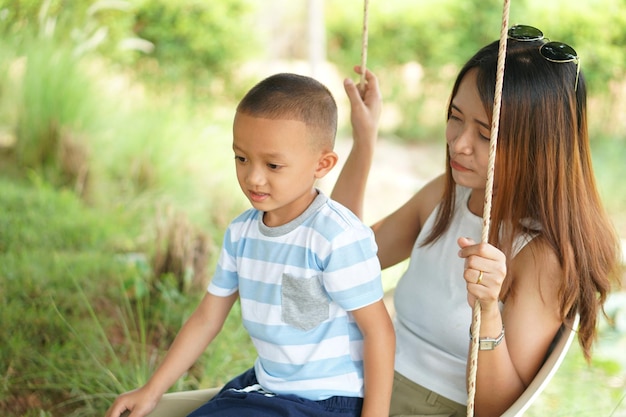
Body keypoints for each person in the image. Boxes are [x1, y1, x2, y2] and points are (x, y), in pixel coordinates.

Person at [333, 25, 622, 417]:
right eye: (455, 117)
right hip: (361, 380)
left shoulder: (540, 256)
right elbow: (343, 256)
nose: (459, 143)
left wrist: (486, 312)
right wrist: (365, 140)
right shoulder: (449, 193)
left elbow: (496, 409)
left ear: (539, 146)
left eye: (486, 134)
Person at [105, 73, 395, 417]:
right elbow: (207, 318)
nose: (253, 177)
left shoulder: (336, 236)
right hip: (267, 385)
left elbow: (379, 333)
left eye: (273, 165)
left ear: (322, 164)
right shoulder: (241, 232)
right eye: (241, 158)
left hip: (325, 403)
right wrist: (151, 391)